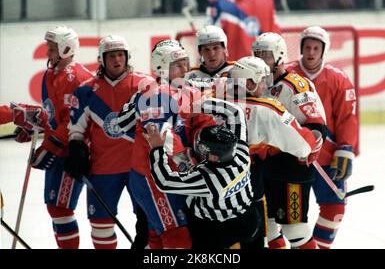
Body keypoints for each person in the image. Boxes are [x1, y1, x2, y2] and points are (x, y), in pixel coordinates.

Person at [117, 39, 215, 248]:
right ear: (162, 67)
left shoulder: (188, 89)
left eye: (185, 62)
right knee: (176, 235)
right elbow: (163, 136)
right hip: (152, 176)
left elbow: (200, 123)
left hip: (172, 173)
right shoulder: (154, 94)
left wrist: (211, 142)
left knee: (157, 233)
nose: (185, 68)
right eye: (177, 64)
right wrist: (189, 165)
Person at [64, 34, 153, 249]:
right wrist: (76, 147)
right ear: (102, 59)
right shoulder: (86, 90)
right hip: (103, 167)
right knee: (100, 224)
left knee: (150, 224)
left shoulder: (144, 84)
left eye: (121, 55)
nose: (117, 60)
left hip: (139, 168)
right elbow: (76, 128)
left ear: (127, 57)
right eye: (111, 55)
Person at [226, 56, 323, 249]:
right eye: (261, 80)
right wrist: (314, 138)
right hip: (249, 187)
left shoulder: (211, 100)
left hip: (215, 191)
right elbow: (302, 144)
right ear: (249, 82)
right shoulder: (266, 109)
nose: (265, 85)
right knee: (256, 237)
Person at [11, 26, 93, 249]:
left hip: (73, 152)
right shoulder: (50, 74)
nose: (47, 52)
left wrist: (50, 145)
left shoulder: (79, 78)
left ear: (66, 49)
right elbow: (52, 113)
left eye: (52, 48)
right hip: (58, 148)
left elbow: (76, 121)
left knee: (61, 208)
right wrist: (31, 128)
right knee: (54, 207)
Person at [286, 26, 358, 249]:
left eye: (316, 48)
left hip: (327, 158)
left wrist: (345, 147)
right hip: (293, 158)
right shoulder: (287, 75)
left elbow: (347, 116)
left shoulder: (338, 78)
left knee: (334, 208)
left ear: (323, 50)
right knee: (289, 218)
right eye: (307, 47)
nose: (311, 52)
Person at [252, 32, 327, 249]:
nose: (259, 60)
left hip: (291, 169)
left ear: (279, 56)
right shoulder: (254, 83)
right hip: (263, 167)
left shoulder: (296, 85)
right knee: (269, 227)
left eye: (265, 55)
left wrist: (309, 145)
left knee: (295, 230)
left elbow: (315, 127)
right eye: (256, 54)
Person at [147, 121, 260, 249]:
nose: (201, 150)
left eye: (204, 148)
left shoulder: (211, 180)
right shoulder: (242, 154)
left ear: (214, 157)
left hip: (218, 232)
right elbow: (236, 115)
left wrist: (157, 150)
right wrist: (199, 104)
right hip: (250, 221)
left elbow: (164, 182)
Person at [207, 0, 281, 62]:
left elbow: (275, 34)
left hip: (259, 63)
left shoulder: (266, 0)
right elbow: (209, 35)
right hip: (228, 64)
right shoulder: (219, 2)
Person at [184, 25, 233, 95]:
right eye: (206, 49)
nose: (211, 54)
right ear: (200, 52)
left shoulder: (237, 71)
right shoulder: (188, 75)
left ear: (224, 49)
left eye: (216, 48)